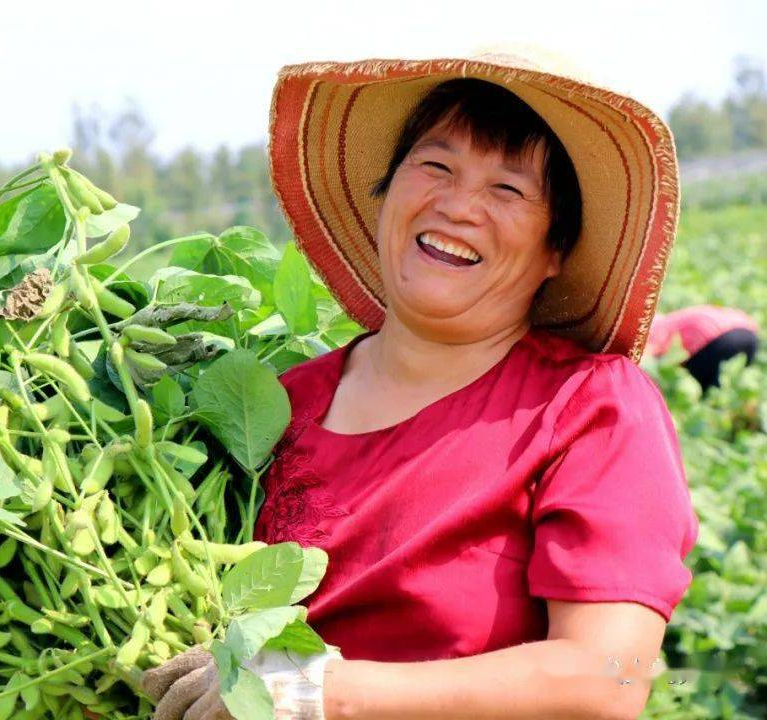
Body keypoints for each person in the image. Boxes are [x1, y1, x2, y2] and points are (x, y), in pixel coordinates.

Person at [142, 50, 699, 720]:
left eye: (508, 189)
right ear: (386, 193)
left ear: (556, 250)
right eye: (436, 166)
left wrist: (323, 693)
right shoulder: (272, 406)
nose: (459, 205)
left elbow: (608, 680)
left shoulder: (591, 406)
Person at [646, 304, 760, 390]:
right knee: (732, 384)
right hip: (748, 333)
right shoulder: (678, 317)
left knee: (707, 391)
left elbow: (649, 360)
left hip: (717, 342)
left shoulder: (656, 330)